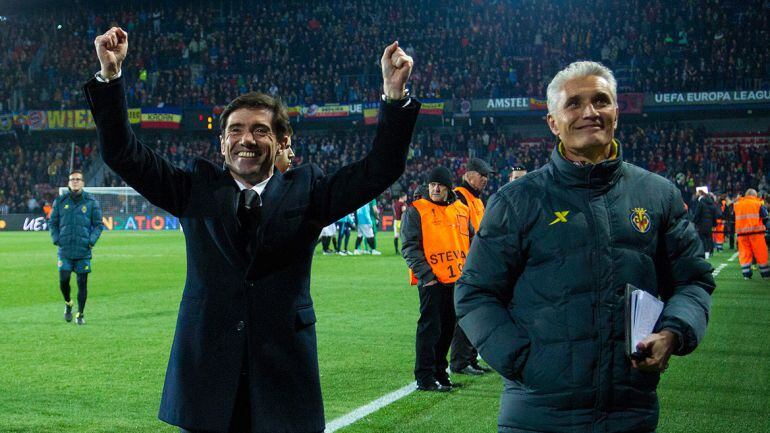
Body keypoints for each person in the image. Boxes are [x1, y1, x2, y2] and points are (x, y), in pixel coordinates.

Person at [86, 27, 418, 433]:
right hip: (207, 374)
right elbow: (122, 152)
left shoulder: (308, 192)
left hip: (282, 374)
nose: (248, 139)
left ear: (280, 142)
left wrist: (393, 96)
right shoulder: (194, 190)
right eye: (236, 130)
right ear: (222, 142)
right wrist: (110, 77)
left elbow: (380, 169)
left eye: (261, 130)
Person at [455, 61, 715, 433]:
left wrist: (672, 333)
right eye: (574, 104)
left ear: (616, 113)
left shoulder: (657, 195)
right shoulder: (516, 201)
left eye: (600, 101)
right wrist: (525, 362)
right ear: (553, 122)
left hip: (630, 412)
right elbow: (475, 292)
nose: (589, 112)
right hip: (537, 413)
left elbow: (693, 281)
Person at [401, 166, 472, 392]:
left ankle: (441, 373)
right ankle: (425, 377)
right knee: (429, 330)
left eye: (439, 185)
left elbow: (471, 242)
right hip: (432, 281)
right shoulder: (417, 210)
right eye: (432, 184)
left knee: (447, 329)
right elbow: (410, 247)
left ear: (448, 188)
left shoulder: (461, 209)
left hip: (455, 280)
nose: (435, 189)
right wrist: (427, 277)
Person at [450, 158, 495, 375]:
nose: (485, 179)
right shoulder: (459, 196)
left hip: (478, 263)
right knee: (464, 315)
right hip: (467, 265)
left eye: (487, 175)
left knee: (476, 312)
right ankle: (459, 361)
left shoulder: (476, 199)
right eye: (482, 174)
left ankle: (470, 357)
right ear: (468, 175)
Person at [49, 170, 104, 325]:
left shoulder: (91, 202)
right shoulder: (60, 201)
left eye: (78, 179)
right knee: (64, 280)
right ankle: (68, 303)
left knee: (82, 283)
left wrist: (91, 241)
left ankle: (80, 313)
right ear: (68, 182)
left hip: (83, 251)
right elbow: (52, 222)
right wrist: (56, 239)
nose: (75, 181)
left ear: (83, 182)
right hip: (65, 249)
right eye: (72, 179)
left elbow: (99, 225)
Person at [733, 189, 770, 279]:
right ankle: (765, 275)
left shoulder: (737, 204)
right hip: (756, 233)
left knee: (744, 253)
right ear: (755, 195)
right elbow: (765, 218)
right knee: (761, 253)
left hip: (742, 234)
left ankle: (746, 274)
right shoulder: (758, 204)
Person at [692, 186, 719, 259]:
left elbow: (697, 213)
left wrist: (693, 222)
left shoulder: (701, 202)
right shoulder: (711, 202)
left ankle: (705, 253)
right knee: (709, 237)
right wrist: (714, 224)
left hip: (702, 223)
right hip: (709, 223)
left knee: (703, 238)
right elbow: (714, 214)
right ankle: (710, 252)